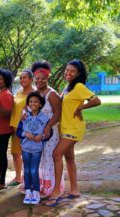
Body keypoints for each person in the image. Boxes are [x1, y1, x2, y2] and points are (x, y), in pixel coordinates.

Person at [46, 59, 101, 206]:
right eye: (67, 69)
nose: (68, 73)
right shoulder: (68, 87)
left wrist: (81, 108)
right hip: (64, 128)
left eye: (72, 71)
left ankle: (56, 191)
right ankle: (74, 190)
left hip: (73, 128)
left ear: (78, 74)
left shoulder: (79, 86)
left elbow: (97, 100)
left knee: (57, 154)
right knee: (69, 158)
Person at [31, 61, 65, 197]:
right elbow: (29, 108)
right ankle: (40, 185)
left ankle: (52, 188)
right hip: (37, 133)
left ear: (47, 78)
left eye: (42, 78)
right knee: (39, 158)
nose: (39, 81)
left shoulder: (52, 94)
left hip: (50, 133)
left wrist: (48, 126)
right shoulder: (35, 93)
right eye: (37, 78)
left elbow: (58, 113)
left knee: (49, 159)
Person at [17, 91, 51, 205]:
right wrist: (26, 134)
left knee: (33, 170)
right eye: (30, 101)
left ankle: (36, 192)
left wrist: (41, 136)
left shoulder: (45, 118)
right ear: (28, 104)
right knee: (26, 170)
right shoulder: (24, 117)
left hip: (37, 149)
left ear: (40, 104)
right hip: (25, 148)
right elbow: (18, 132)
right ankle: (28, 192)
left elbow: (48, 134)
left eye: (36, 101)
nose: (33, 103)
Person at [8, 69, 35, 187]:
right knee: (15, 153)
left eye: (25, 77)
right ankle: (18, 177)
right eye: (21, 78)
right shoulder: (18, 92)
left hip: (26, 128)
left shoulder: (34, 93)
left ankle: (28, 178)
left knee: (27, 153)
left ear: (31, 79)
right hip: (14, 127)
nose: (22, 80)